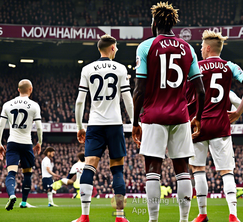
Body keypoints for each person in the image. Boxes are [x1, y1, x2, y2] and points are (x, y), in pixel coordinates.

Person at [132, 2, 206, 222]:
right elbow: (200, 90)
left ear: (154, 23)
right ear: (173, 24)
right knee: (182, 168)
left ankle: (153, 220)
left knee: (153, 168)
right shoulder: (188, 48)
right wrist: (197, 118)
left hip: (154, 116)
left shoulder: (146, 47)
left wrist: (135, 121)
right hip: (181, 116)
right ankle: (183, 220)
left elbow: (139, 89)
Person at [187, 30, 243, 222]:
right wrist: (238, 112)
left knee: (198, 169)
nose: (200, 49)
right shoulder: (229, 66)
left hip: (198, 123)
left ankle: (202, 214)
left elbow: (185, 96)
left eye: (202, 46)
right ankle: (233, 215)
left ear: (208, 48)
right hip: (220, 124)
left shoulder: (196, 67)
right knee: (226, 171)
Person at [72, 34, 134, 222]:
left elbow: (80, 101)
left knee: (89, 165)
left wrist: (80, 126)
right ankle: (120, 216)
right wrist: (134, 123)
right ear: (113, 48)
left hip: (95, 124)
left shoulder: (87, 69)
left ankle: (84, 216)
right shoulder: (121, 69)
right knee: (117, 170)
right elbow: (127, 99)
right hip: (115, 124)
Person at [0, 79, 43, 211]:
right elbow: (39, 127)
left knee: (11, 173)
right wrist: (39, 142)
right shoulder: (34, 105)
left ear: (18, 90)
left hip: (12, 142)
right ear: (30, 90)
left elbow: (0, 126)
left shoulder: (7, 105)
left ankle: (11, 195)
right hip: (27, 143)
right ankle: (23, 202)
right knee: (27, 174)